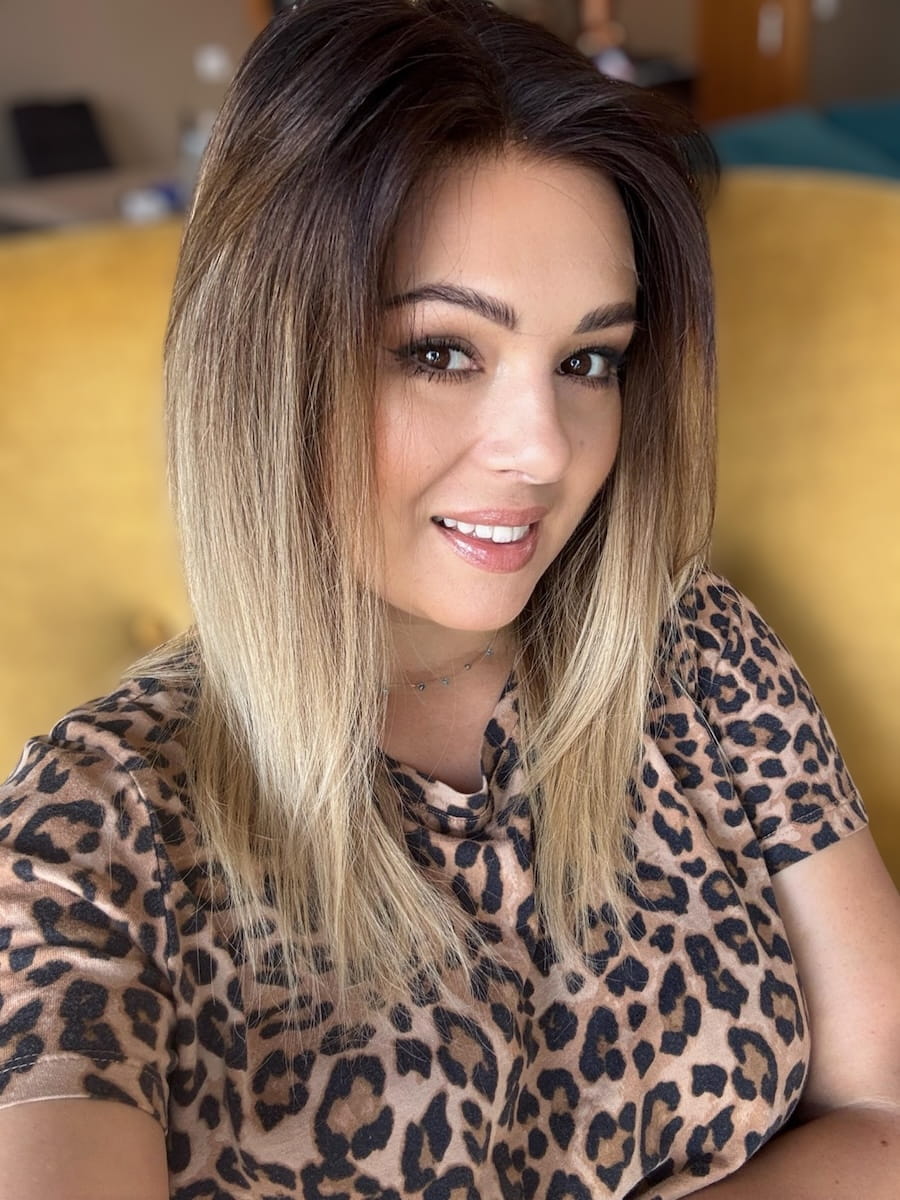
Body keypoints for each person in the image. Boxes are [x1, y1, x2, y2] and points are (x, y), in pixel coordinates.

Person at [0, 2, 897, 1197]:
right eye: (440, 351)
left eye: (589, 360)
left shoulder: (696, 652)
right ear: (261, 362)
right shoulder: (97, 831)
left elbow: (886, 1108)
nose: (544, 449)